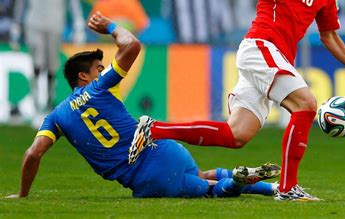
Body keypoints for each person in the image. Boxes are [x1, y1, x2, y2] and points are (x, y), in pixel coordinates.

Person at [129, 0, 345, 201]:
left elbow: (330, 36)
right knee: (306, 105)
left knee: (236, 135)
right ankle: (287, 189)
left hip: (274, 57)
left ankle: (154, 128)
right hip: (261, 46)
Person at [6, 11, 280, 199]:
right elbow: (132, 45)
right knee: (202, 176)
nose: (102, 74)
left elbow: (32, 154)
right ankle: (272, 188)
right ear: (83, 76)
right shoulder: (100, 88)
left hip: (146, 177)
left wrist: (22, 194)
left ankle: (236, 181)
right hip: (163, 149)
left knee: (211, 190)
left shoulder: (55, 117)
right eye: (98, 69)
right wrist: (111, 27)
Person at [10, 0, 86, 113]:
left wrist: (78, 23)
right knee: (37, 62)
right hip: (33, 21)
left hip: (55, 21)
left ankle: (49, 102)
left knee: (52, 64)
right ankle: (36, 103)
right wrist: (16, 23)